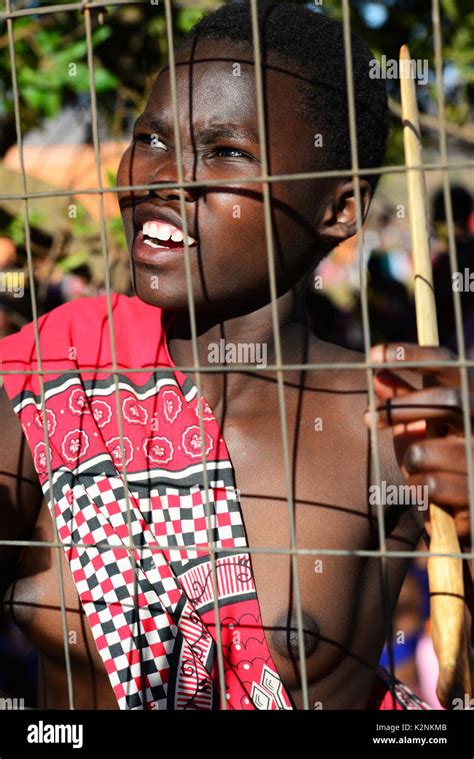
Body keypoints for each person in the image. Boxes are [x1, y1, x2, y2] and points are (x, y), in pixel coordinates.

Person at [0, 1, 471, 710]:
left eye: (224, 151)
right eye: (151, 137)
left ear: (339, 208)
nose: (161, 177)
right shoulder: (51, 381)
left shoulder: (390, 426)